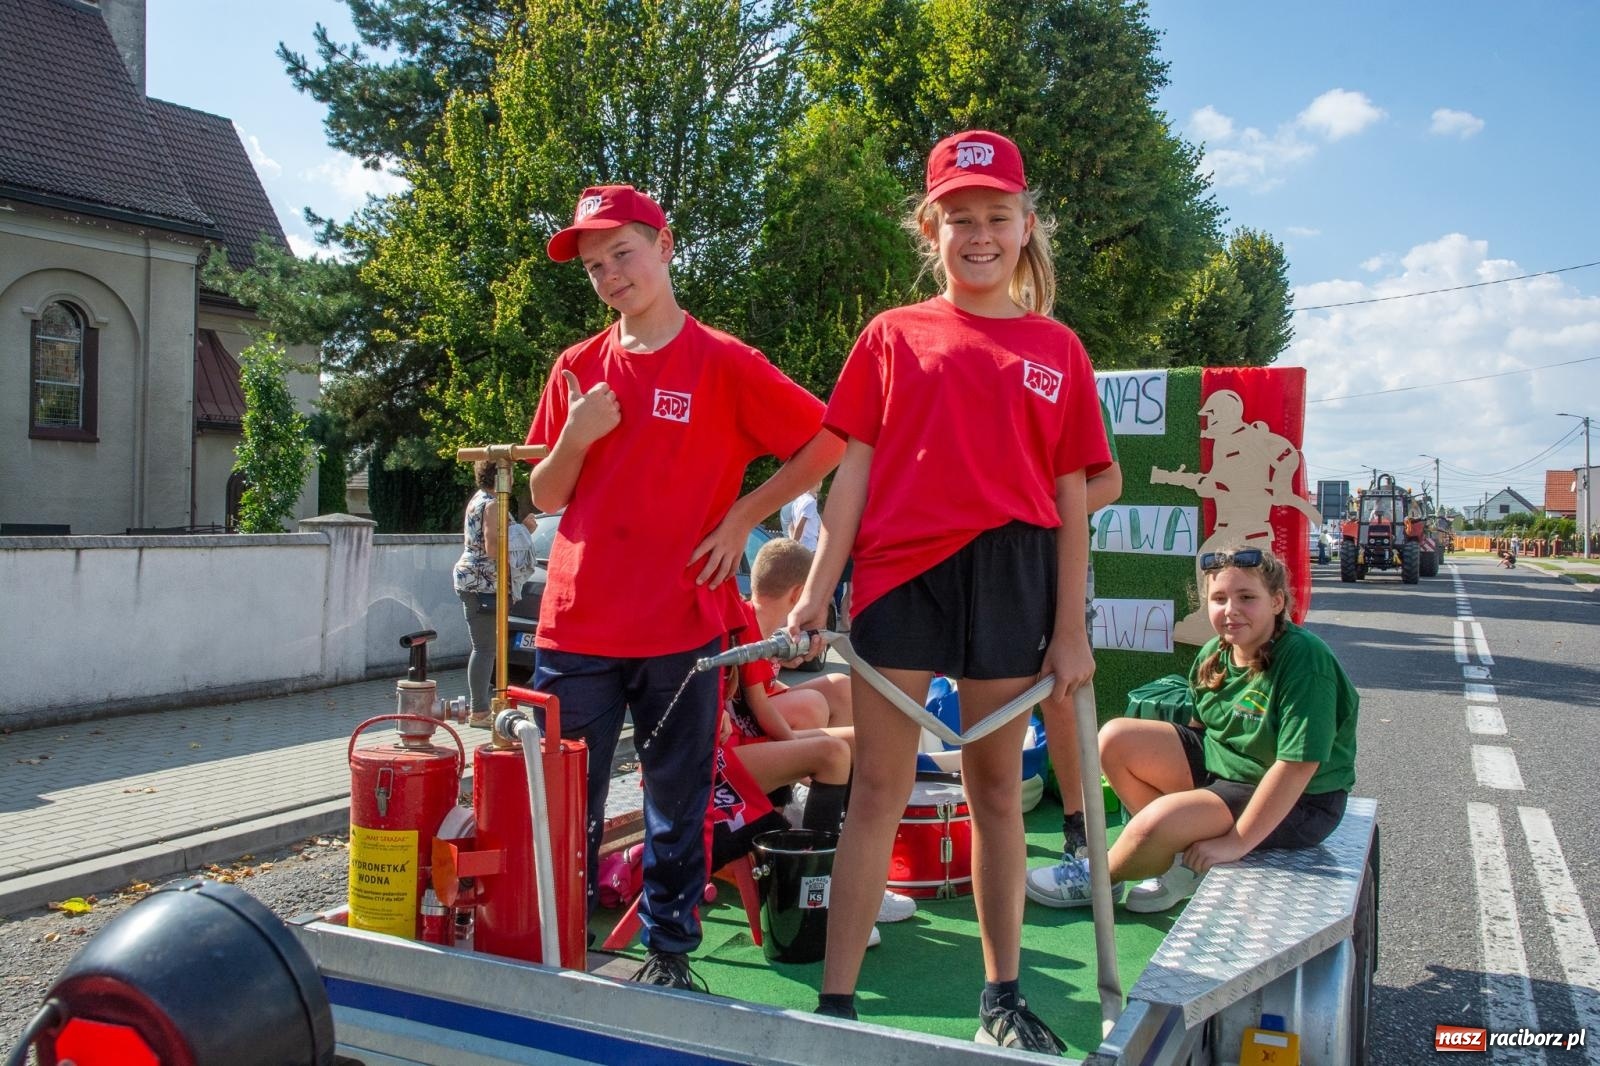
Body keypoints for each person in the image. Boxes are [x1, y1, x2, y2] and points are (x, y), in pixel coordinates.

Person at [786, 130, 1110, 1053]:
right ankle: (837, 1008)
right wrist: (816, 589)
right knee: (879, 788)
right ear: (930, 227)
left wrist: (1069, 627)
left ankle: (1001, 995)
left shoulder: (1058, 347)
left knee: (997, 787)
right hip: (901, 577)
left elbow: (1071, 499)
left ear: (1025, 225)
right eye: (958, 217)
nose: (978, 234)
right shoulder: (892, 334)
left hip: (1014, 573)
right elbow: (852, 472)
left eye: (995, 217)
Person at [526, 184, 844, 992]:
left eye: (621, 255)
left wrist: (745, 517)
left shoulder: (726, 363)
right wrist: (574, 435)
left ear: (666, 247)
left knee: (677, 802)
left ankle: (669, 954)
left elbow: (824, 443)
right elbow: (545, 495)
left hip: (684, 625)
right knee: (565, 809)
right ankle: (553, 949)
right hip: (577, 626)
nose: (609, 276)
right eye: (595, 267)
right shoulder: (577, 369)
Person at [1063, 546, 1358, 914]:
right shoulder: (1213, 654)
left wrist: (1235, 842)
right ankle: (1178, 862)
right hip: (1226, 773)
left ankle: (1099, 878)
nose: (1231, 609)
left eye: (1247, 597)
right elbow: (1199, 734)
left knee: (1152, 825)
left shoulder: (1304, 659)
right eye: (1219, 598)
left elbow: (1297, 766)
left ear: (1278, 602)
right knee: (1114, 739)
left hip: (1299, 801)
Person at [1025, 401, 1122, 907]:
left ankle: (1080, 828)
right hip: (976, 565)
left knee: (1060, 696)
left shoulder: (1059, 382)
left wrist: (1038, 508)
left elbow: (1110, 483)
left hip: (1055, 565)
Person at [452, 460, 538, 727]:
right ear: (501, 476)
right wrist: (524, 530)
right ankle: (479, 711)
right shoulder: (491, 504)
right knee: (485, 648)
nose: (512, 480)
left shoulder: (481, 499)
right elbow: (492, 547)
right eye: (509, 474)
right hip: (482, 584)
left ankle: (482, 707)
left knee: (486, 647)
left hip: (478, 583)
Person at [748, 537, 852, 728]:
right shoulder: (743, 628)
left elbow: (760, 686)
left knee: (842, 688)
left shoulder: (768, 627)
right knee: (810, 706)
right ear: (799, 593)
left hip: (755, 709)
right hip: (736, 727)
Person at [781, 482, 822, 551]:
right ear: (818, 484)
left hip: (800, 546)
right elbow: (800, 525)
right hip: (809, 547)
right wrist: (794, 546)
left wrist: (793, 542)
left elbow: (791, 526)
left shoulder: (797, 501)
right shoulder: (811, 501)